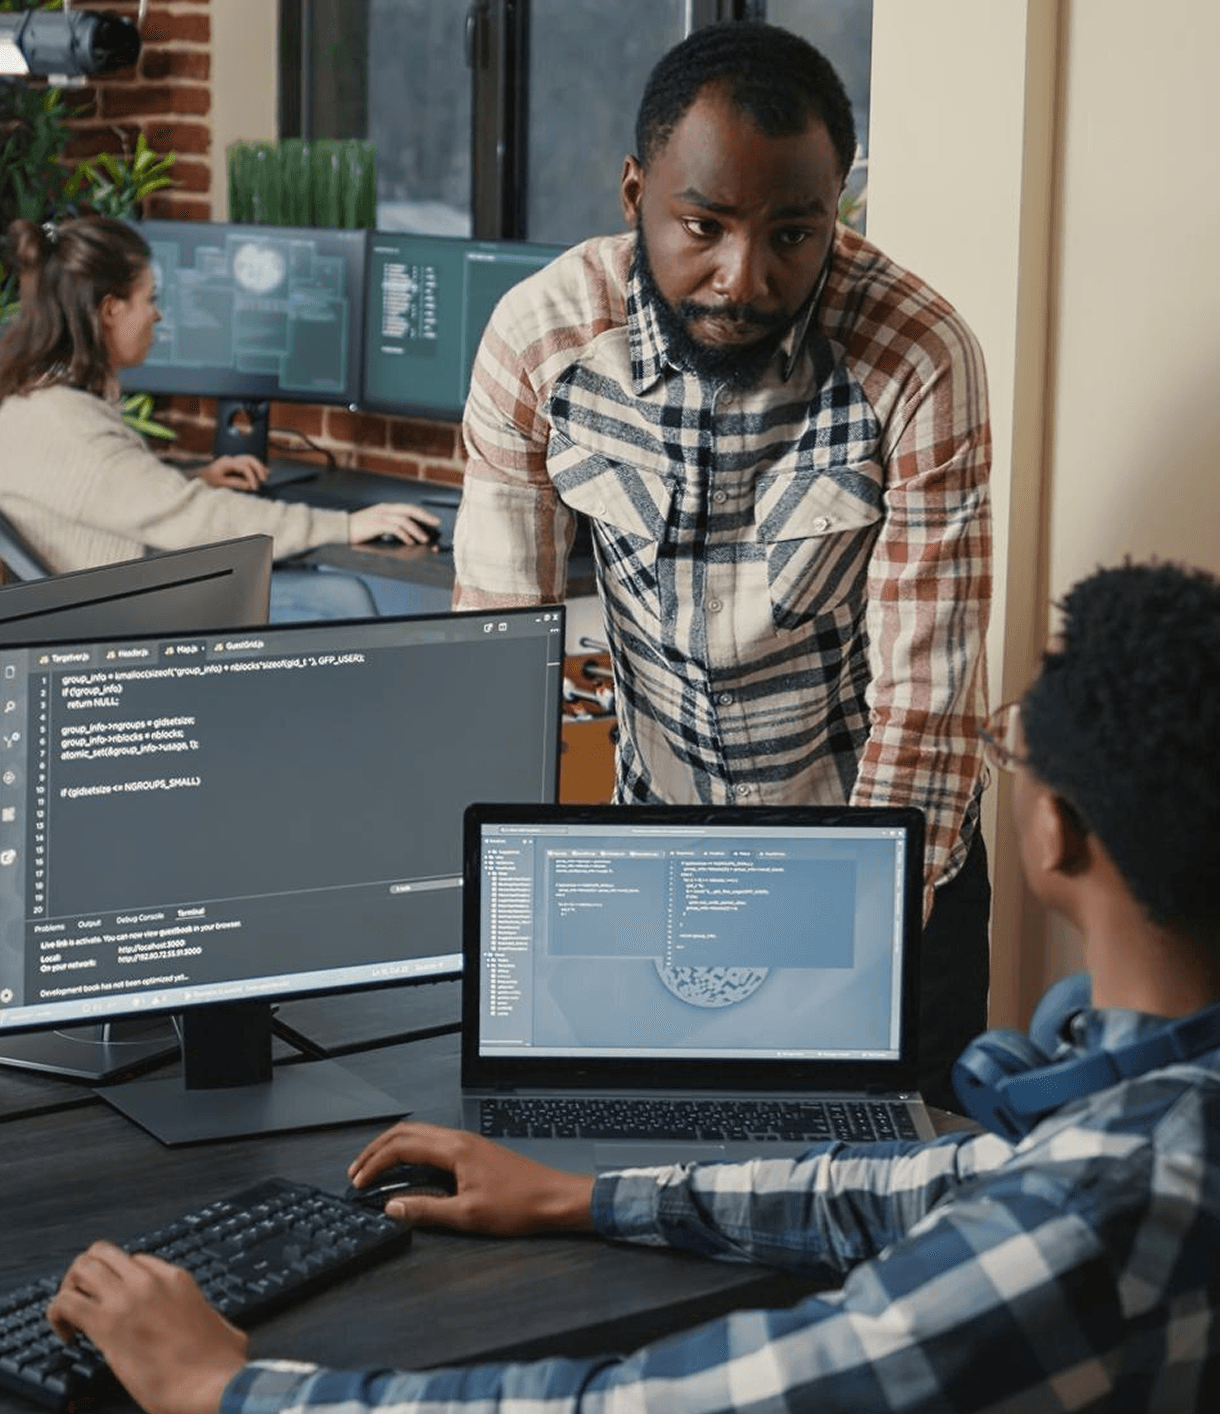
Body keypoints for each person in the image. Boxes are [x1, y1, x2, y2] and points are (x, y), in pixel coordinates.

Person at [45, 558, 1220, 1412]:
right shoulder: (1155, 1122)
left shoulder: (1112, 1197)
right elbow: (941, 1177)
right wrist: (584, 1198)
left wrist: (225, 1386)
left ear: (1052, 831)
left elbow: (639, 1406)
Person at [452, 22, 992, 1107]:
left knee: (884, 1203)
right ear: (632, 191)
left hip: (882, 865)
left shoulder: (918, 356)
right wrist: (516, 929)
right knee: (635, 1187)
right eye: (701, 226)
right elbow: (496, 662)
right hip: (653, 863)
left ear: (835, 210)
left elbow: (926, 711)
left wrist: (844, 946)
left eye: (795, 233)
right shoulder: (541, 339)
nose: (742, 278)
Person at [0, 216, 439, 622]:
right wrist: (346, 525)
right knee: (339, 598)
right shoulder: (69, 428)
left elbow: (102, 490)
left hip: (110, 597)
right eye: (149, 298)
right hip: (127, 623)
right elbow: (200, 521)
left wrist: (196, 478)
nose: (157, 313)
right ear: (111, 310)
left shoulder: (35, 399)